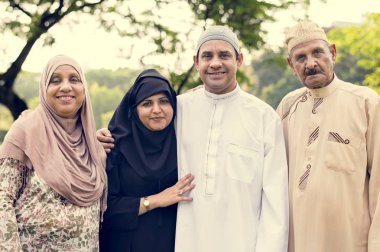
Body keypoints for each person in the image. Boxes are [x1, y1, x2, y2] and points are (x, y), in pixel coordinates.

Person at [98, 26, 289, 252]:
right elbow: (136, 129)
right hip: (185, 243)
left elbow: (275, 203)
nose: (215, 63)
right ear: (196, 62)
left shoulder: (264, 117)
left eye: (224, 55)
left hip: (242, 242)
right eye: (207, 56)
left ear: (239, 59)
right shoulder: (178, 109)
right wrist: (98, 137)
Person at [276, 20, 380, 252]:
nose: (311, 63)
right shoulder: (287, 107)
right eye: (300, 58)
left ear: (332, 53)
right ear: (291, 64)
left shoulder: (365, 102)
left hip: (351, 241)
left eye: (317, 53)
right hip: (298, 241)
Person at [0, 55, 107, 251]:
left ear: (84, 89)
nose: (66, 87)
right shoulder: (25, 131)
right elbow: (2, 200)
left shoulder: (92, 143)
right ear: (44, 89)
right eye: (55, 80)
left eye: (74, 79)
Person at [99, 69, 195, 252]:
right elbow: (105, 211)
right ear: (134, 109)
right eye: (147, 103)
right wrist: (155, 200)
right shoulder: (114, 147)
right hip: (126, 245)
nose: (157, 110)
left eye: (164, 101)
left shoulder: (184, 143)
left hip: (175, 243)